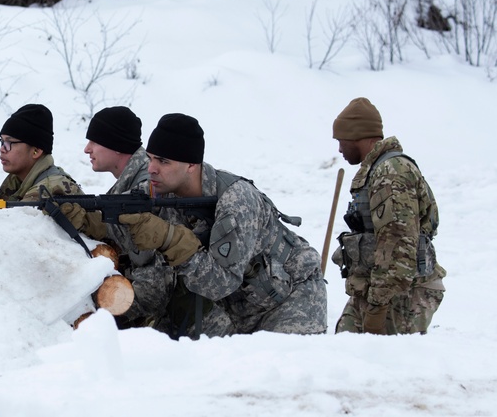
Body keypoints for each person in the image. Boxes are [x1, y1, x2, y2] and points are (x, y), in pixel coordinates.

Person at [104, 113, 326, 335]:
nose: (151, 168)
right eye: (150, 158)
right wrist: (86, 215)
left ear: (191, 165)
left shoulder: (236, 201)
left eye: (163, 161)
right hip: (238, 305)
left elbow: (220, 283)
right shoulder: (160, 189)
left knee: (278, 367)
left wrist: (170, 239)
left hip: (290, 301)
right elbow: (119, 211)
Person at [68, 106, 233, 336]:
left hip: (190, 323)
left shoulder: (153, 190)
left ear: (117, 145)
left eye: (95, 141)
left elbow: (155, 282)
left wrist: (99, 314)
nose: (87, 149)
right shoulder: (144, 187)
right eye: (151, 159)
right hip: (177, 315)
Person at [330, 97, 445, 334]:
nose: (340, 149)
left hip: (402, 293)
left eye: (342, 141)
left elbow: (398, 244)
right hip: (377, 290)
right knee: (344, 351)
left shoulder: (391, 173)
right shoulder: (376, 170)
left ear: (359, 137)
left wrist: (377, 308)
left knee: (384, 364)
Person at [0, 103, 83, 202]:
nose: (2, 149)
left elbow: (15, 216)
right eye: (2, 141)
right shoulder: (19, 181)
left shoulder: (48, 190)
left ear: (36, 151)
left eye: (9, 143)